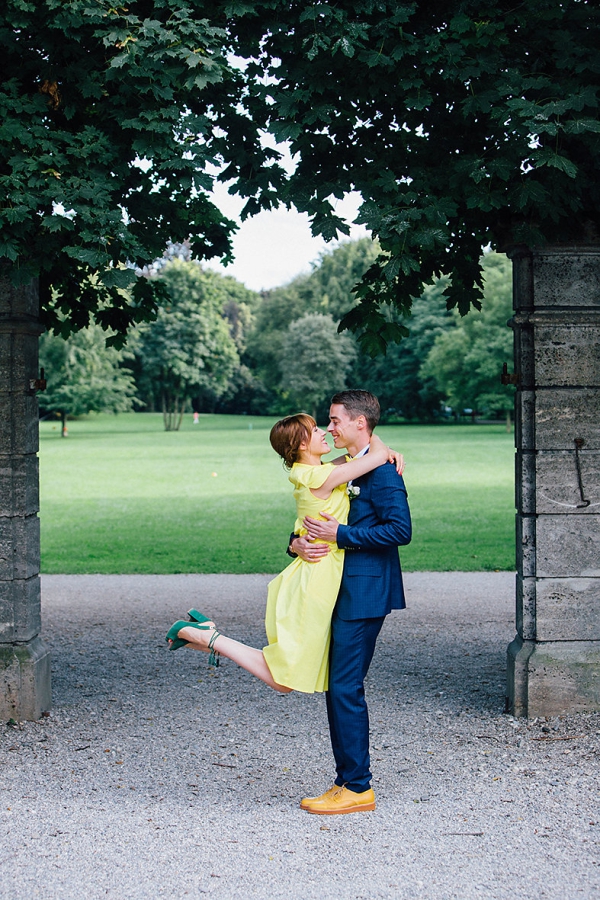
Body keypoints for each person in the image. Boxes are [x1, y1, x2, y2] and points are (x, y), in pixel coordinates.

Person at [165, 413, 402, 699]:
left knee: (289, 672)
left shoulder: (315, 471)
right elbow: (372, 457)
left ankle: (208, 636)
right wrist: (378, 441)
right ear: (301, 444)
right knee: (284, 678)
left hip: (322, 576)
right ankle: (209, 637)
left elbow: (357, 459)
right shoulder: (318, 476)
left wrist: (381, 450)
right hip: (315, 581)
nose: (324, 432)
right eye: (315, 430)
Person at [290, 390, 411, 816]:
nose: (330, 428)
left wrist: (341, 537)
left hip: (364, 593)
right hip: (334, 591)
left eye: (336, 420)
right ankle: (346, 779)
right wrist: (296, 545)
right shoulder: (345, 467)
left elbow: (400, 530)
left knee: (344, 687)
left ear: (361, 422)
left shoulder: (386, 472)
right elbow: (307, 515)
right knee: (338, 687)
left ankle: (358, 786)